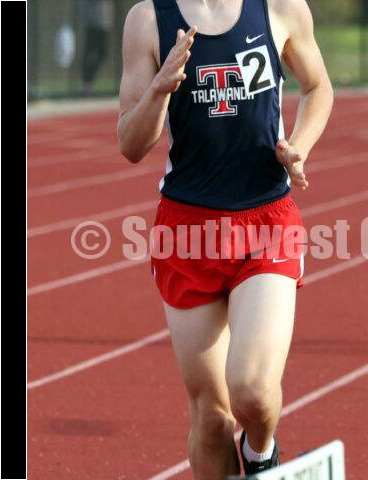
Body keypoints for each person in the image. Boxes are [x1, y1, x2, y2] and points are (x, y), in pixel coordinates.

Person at [117, 0, 333, 477]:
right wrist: (159, 88)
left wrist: (300, 147)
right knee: (213, 419)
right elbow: (131, 143)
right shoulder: (148, 20)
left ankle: (261, 453)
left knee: (252, 392)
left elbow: (318, 86)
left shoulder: (280, 8)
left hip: (265, 221)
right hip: (187, 234)